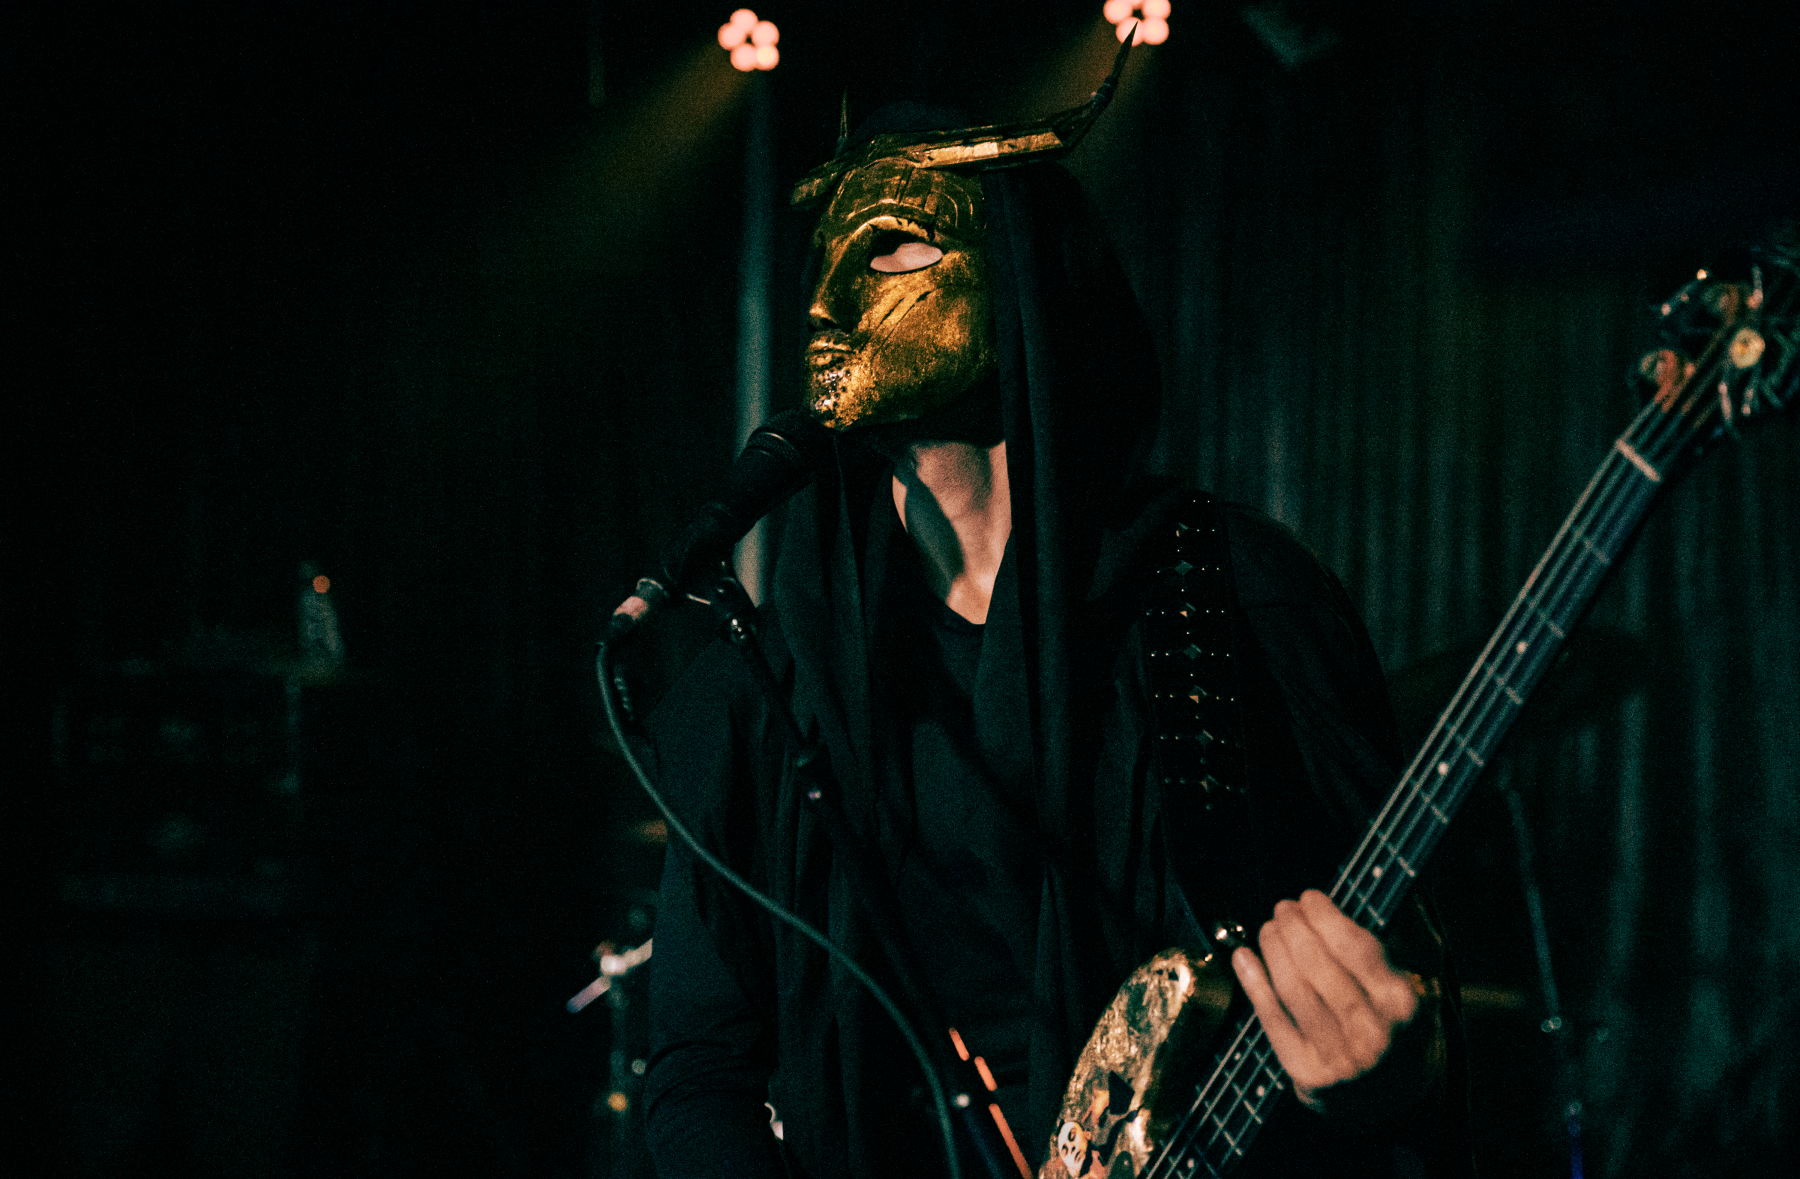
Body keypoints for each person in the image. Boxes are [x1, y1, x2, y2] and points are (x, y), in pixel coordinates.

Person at [639, 99, 1470, 1179]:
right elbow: (699, 1073)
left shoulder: (1231, 600)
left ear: (1019, 276)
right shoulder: (761, 687)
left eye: (890, 246)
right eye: (822, 258)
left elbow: (1392, 978)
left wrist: (1392, 1067)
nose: (828, 300)